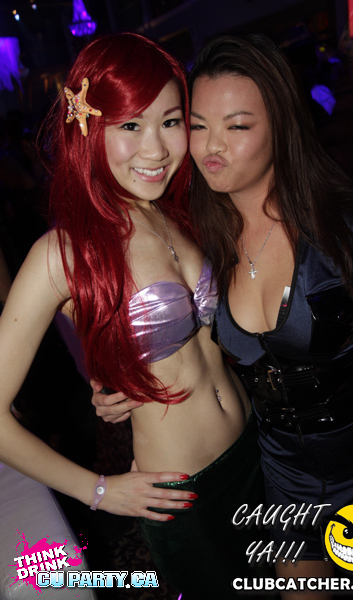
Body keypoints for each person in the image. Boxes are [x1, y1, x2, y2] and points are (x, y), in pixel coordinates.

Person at [94, 33, 353, 599]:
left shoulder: (346, 226)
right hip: (282, 476)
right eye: (198, 125)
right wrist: (120, 384)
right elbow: (191, 348)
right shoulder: (201, 240)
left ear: (281, 127)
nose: (213, 145)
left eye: (237, 126)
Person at [0, 33, 267, 600]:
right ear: (88, 128)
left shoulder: (184, 213)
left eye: (170, 121)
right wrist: (98, 490)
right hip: (184, 494)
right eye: (130, 125)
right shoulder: (62, 254)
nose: (157, 149)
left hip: (256, 448)